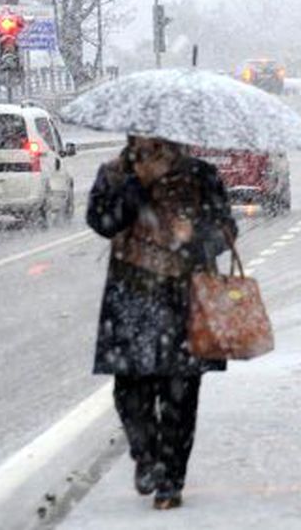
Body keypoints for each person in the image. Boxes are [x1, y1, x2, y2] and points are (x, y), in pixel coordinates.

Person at [86, 136, 237, 510]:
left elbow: (226, 230)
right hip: (131, 298)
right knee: (129, 391)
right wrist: (138, 187)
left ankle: (171, 480)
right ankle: (145, 455)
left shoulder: (201, 175)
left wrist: (193, 239)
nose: (150, 140)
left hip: (185, 301)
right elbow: (103, 222)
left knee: (180, 397)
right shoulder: (115, 175)